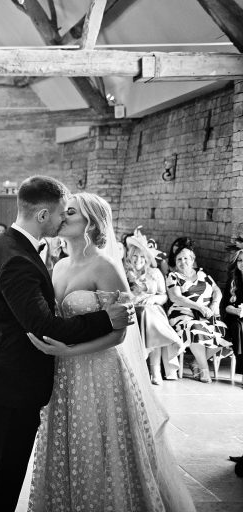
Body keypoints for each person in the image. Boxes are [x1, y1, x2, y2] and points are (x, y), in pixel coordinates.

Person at [26, 192, 196, 511]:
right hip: (62, 373)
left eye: (70, 213)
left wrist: (69, 350)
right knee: (67, 444)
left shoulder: (104, 268)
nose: (62, 217)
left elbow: (119, 334)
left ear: (90, 223)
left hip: (98, 372)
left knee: (96, 448)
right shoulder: (58, 266)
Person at [0, 176, 133, 512]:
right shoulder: (18, 255)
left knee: (82, 456)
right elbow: (44, 324)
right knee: (4, 477)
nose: (64, 219)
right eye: (63, 212)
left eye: (71, 213)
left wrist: (105, 327)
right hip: (11, 384)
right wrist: (106, 319)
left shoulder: (19, 249)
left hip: (64, 377)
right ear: (44, 215)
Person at [124, 230, 183, 384]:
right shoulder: (124, 272)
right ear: (130, 256)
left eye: (143, 257)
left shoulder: (155, 272)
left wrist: (153, 298)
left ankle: (155, 369)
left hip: (153, 309)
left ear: (147, 259)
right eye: (135, 256)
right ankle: (149, 368)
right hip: (131, 310)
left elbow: (164, 296)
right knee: (145, 316)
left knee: (150, 318)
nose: (139, 259)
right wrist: (134, 298)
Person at [167, 246, 231, 383]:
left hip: (206, 315)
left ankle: (196, 362)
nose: (182, 261)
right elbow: (175, 297)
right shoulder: (173, 276)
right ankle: (204, 369)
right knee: (195, 329)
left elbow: (216, 290)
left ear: (192, 260)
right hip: (183, 315)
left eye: (186, 258)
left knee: (224, 331)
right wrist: (199, 307)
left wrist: (214, 304)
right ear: (175, 262)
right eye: (179, 259)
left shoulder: (202, 273)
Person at [223, 249, 243, 363]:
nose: (242, 263)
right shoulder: (232, 280)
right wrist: (236, 311)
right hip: (234, 317)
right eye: (240, 260)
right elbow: (226, 305)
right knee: (238, 326)